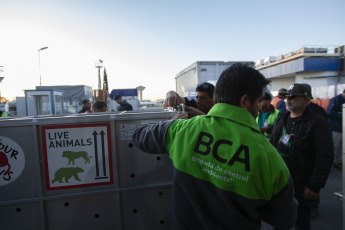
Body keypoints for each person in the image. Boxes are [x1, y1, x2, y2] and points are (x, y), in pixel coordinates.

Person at [132, 63, 297, 229]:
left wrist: (172, 123)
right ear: (245, 101)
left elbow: (139, 135)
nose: (259, 108)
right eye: (259, 101)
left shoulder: (183, 130)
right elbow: (285, 219)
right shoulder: (271, 159)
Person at [270, 83, 334, 230]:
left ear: (306, 99)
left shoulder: (318, 123)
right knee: (278, 220)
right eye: (286, 96)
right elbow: (273, 144)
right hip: (279, 182)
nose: (288, 100)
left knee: (301, 222)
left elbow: (325, 157)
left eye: (293, 97)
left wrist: (314, 186)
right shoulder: (282, 118)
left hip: (300, 184)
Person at [326, 89, 345, 170]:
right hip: (335, 128)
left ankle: (338, 162)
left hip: (343, 128)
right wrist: (343, 115)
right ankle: (328, 163)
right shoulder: (336, 100)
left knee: (341, 147)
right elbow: (329, 112)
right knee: (333, 146)